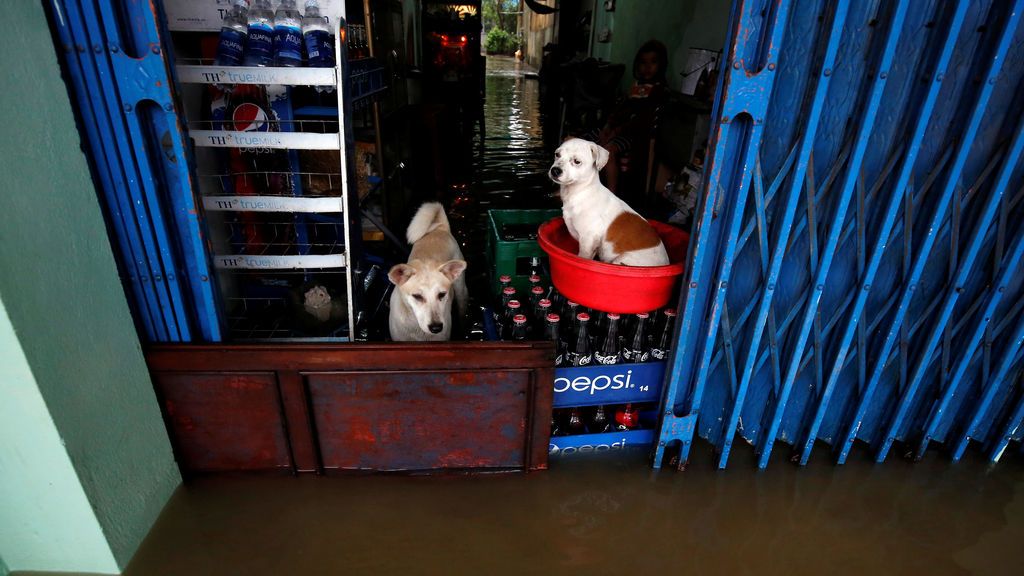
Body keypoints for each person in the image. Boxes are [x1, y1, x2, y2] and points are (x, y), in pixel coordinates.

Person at [585, 39, 671, 195]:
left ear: (661, 65)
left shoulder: (658, 90)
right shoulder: (636, 86)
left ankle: (610, 195)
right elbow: (620, 110)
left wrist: (616, 131)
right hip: (618, 130)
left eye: (653, 62)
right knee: (583, 143)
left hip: (634, 136)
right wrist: (607, 127)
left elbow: (640, 121)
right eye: (643, 62)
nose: (647, 67)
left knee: (608, 152)